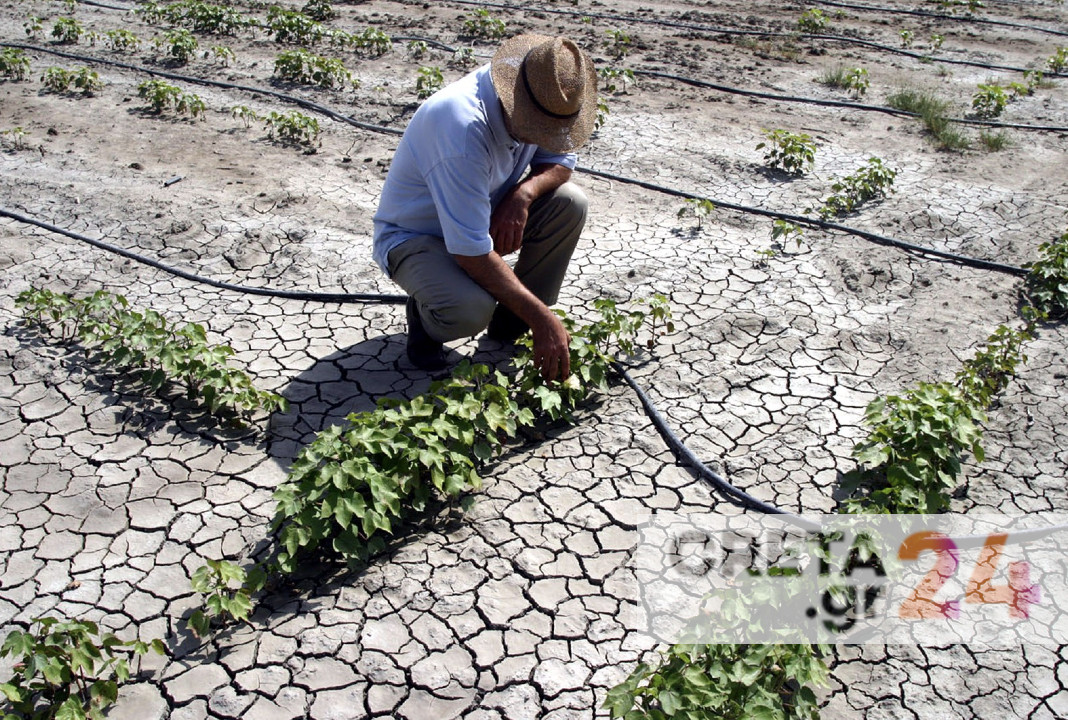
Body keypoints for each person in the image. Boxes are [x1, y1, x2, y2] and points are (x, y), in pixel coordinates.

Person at [372, 33, 598, 381]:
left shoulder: (543, 91)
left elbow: (561, 162)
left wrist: (522, 195)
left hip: (481, 215)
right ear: (516, 104)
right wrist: (545, 319)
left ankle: (512, 321)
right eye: (541, 129)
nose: (546, 136)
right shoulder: (461, 129)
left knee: (569, 203)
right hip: (417, 237)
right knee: (469, 310)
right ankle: (425, 321)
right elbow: (470, 252)